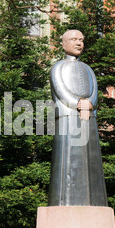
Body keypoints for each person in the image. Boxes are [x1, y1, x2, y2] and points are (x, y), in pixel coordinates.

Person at [48, 30, 108, 206]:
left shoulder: (89, 70)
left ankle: (96, 202)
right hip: (67, 118)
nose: (79, 43)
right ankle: (65, 202)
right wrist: (77, 103)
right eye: (74, 39)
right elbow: (60, 90)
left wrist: (90, 104)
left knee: (92, 161)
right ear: (64, 43)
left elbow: (95, 91)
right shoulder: (58, 67)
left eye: (81, 40)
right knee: (67, 161)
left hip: (88, 117)